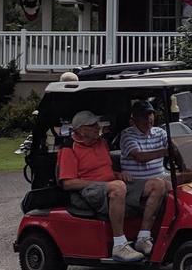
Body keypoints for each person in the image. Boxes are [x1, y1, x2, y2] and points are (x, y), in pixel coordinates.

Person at [57, 110, 144, 262]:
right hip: (87, 191)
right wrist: (107, 184)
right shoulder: (69, 149)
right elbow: (68, 183)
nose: (98, 127)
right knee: (118, 188)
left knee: (158, 185)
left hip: (109, 186)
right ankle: (119, 244)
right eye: (93, 125)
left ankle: (144, 236)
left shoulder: (101, 143)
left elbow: (105, 170)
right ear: (81, 130)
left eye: (97, 124)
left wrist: (118, 175)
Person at [118, 100, 174, 254]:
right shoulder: (127, 135)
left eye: (150, 114)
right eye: (144, 116)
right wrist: (164, 152)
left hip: (160, 175)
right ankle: (143, 237)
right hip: (136, 182)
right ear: (134, 119)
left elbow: (173, 147)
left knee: (190, 177)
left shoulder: (160, 132)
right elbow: (139, 156)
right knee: (162, 185)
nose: (149, 119)